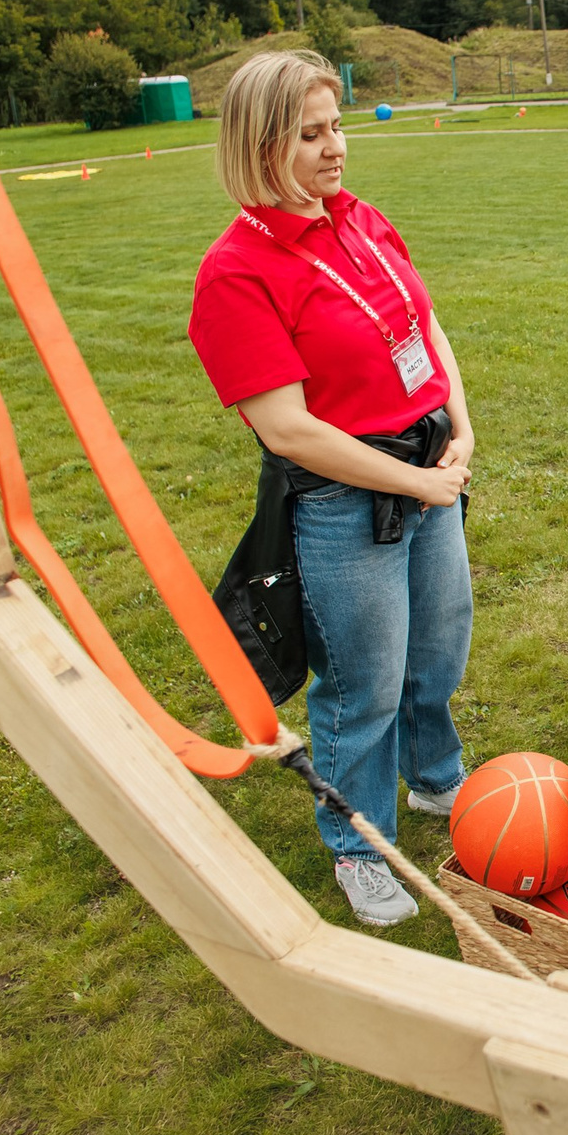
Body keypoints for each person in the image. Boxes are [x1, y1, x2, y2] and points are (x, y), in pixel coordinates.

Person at [187, 51, 475, 928]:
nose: (333, 149)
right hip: (345, 503)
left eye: (336, 126)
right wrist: (416, 483)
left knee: (439, 649)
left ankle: (434, 781)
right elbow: (290, 430)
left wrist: (459, 426)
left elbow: (423, 322)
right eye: (308, 135)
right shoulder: (235, 273)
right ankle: (359, 844)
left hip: (426, 471)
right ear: (258, 145)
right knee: (364, 683)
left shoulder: (361, 221)